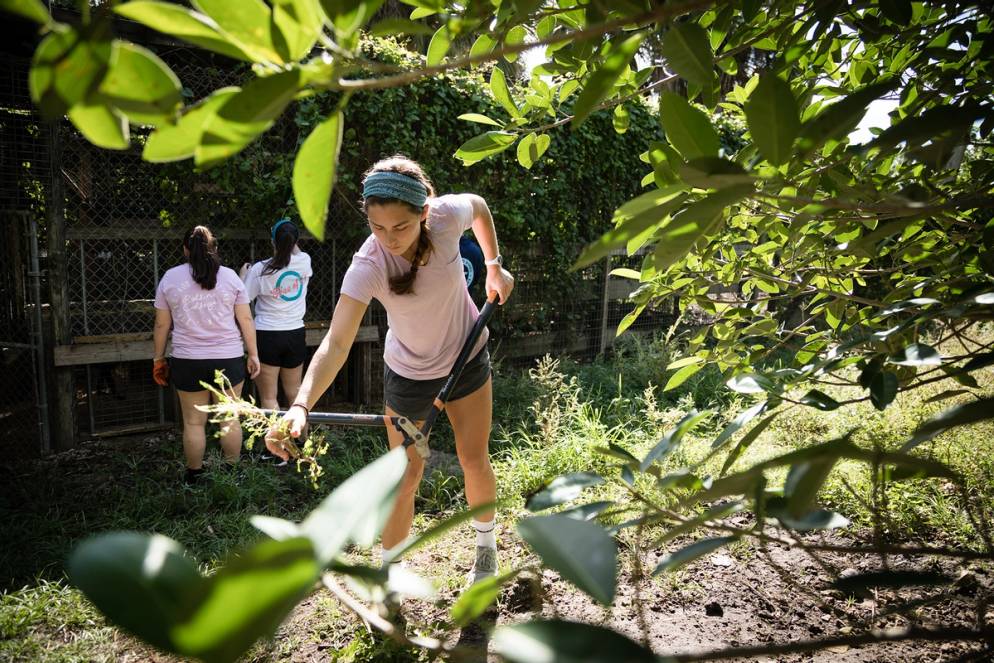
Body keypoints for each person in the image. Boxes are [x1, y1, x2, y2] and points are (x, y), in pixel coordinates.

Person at [266, 155, 514, 584]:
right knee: (404, 476)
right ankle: (390, 576)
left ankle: (486, 548)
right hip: (408, 376)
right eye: (378, 228)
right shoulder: (369, 265)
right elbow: (337, 343)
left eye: (400, 227)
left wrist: (493, 266)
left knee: (473, 458)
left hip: (467, 358)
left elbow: (478, 206)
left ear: (424, 211)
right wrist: (301, 403)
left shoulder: (445, 219)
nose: (389, 239)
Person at [152, 225, 261, 484]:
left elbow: (161, 325)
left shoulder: (170, 277)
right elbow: (246, 319)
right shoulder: (231, 277)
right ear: (215, 248)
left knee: (193, 422)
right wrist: (253, 354)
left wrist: (158, 358)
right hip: (228, 358)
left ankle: (194, 475)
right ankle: (233, 471)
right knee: (229, 417)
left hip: (187, 361)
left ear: (185, 250)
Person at [240, 219, 312, 414]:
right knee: (296, 395)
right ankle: (303, 441)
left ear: (273, 242)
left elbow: (242, 299)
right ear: (295, 241)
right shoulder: (304, 261)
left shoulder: (259, 269)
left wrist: (242, 277)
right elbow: (293, 249)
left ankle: (276, 444)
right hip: (295, 334)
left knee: (269, 397)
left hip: (267, 335)